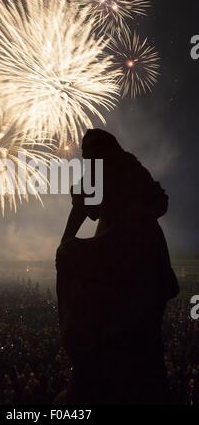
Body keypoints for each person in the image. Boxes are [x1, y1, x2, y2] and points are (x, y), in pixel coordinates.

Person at [56, 129, 180, 405]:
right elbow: (159, 201)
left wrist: (66, 243)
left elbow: (81, 210)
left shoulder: (112, 167)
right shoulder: (128, 164)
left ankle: (85, 353)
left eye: (89, 154)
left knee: (74, 261)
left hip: (124, 247)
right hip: (136, 247)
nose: (87, 159)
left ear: (100, 150)